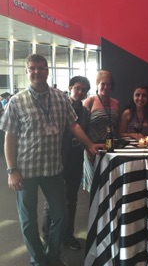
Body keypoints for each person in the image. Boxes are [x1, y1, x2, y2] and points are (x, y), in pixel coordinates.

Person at [0, 54, 102, 266]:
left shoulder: (60, 98)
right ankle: (39, 259)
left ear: (47, 70)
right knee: (28, 221)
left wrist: (89, 144)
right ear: (27, 72)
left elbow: (73, 125)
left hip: (54, 168)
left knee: (61, 215)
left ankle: (52, 254)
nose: (36, 72)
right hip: (25, 170)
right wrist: (11, 170)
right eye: (32, 68)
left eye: (41, 67)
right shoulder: (16, 102)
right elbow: (10, 137)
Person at [42, 76, 91, 251]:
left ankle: (68, 234)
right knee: (53, 200)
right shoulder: (59, 107)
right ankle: (48, 236)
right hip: (58, 157)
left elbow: (85, 134)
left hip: (76, 159)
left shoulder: (85, 112)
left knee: (72, 199)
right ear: (70, 88)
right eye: (77, 88)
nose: (80, 92)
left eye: (84, 89)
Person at [82, 70, 119, 192]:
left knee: (109, 183)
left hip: (110, 148)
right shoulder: (90, 101)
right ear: (97, 84)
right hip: (94, 148)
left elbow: (116, 126)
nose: (106, 87)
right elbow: (82, 126)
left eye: (108, 84)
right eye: (103, 83)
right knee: (95, 185)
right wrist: (88, 146)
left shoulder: (116, 103)